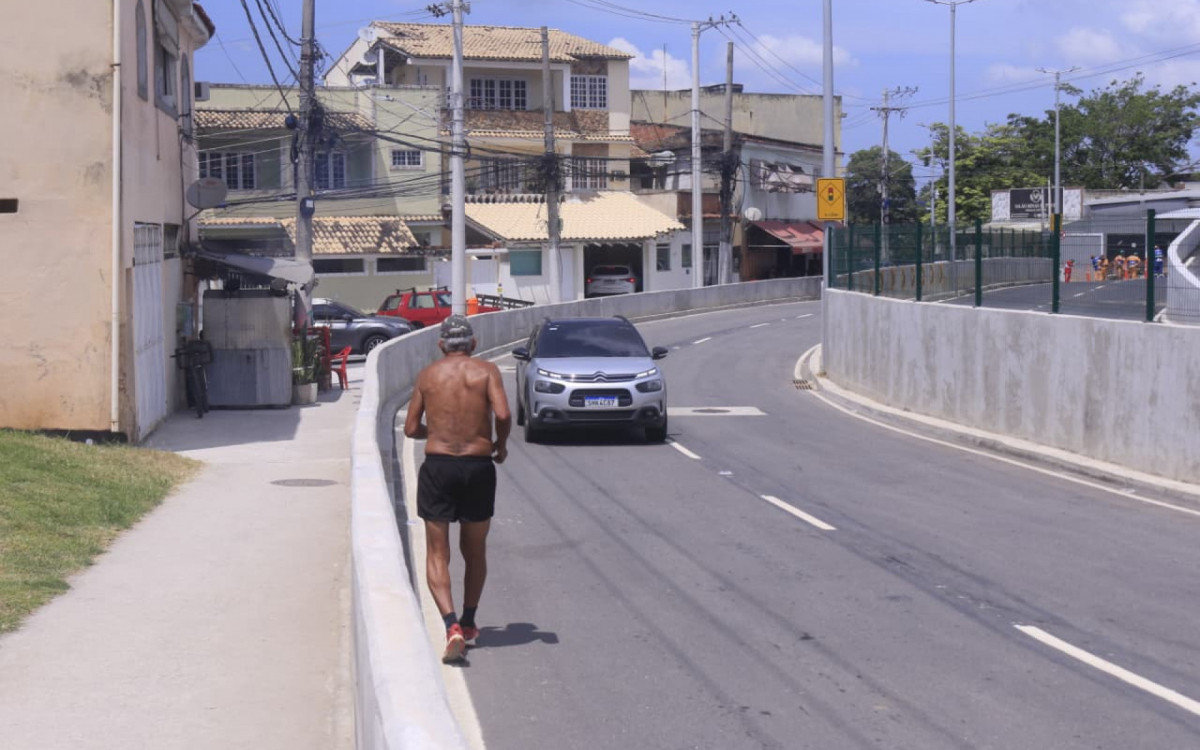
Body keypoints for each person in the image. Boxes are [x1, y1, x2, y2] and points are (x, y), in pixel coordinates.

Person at [404, 314, 512, 663]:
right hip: (478, 467)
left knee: (438, 552)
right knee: (475, 550)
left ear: (440, 345)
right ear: (473, 344)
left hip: (438, 467)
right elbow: (503, 414)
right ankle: (468, 622)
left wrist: (435, 432)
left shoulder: (428, 376)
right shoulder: (487, 372)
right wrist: (500, 445)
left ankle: (450, 625)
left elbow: (410, 429)